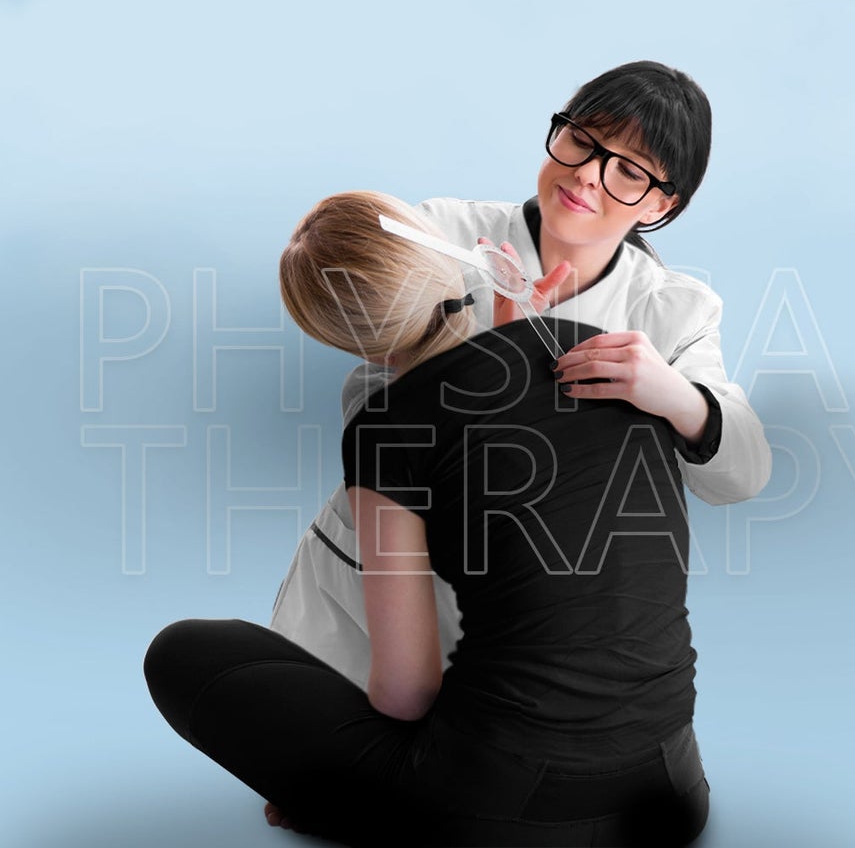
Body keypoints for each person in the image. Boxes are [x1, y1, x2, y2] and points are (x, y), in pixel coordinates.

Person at [145, 191, 710, 846]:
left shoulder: (386, 428)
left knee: (183, 652)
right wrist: (512, 336)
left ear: (341, 337)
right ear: (441, 259)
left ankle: (368, 809)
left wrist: (320, 770)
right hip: (672, 796)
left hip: (507, 814)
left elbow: (406, 694)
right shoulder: (600, 351)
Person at [268, 60, 770, 696]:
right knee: (306, 759)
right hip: (369, 570)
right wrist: (487, 356)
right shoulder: (444, 231)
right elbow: (367, 402)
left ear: (660, 204)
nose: (589, 173)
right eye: (582, 139)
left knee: (450, 759)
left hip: (522, 588)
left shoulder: (674, 311)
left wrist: (671, 395)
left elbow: (743, 474)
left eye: (629, 170)